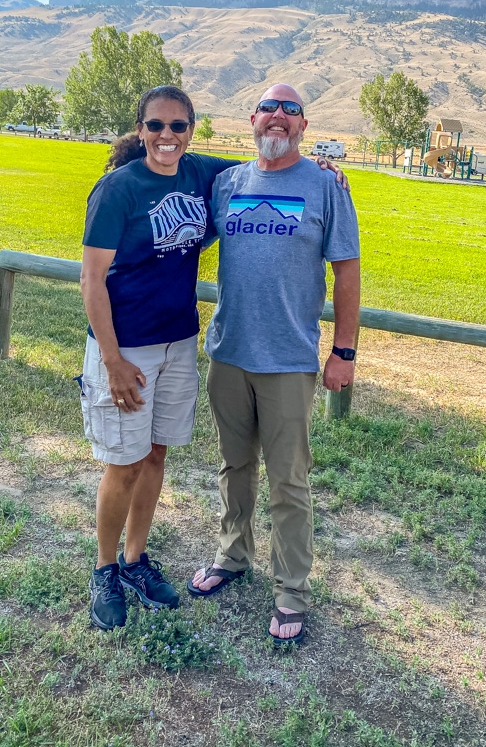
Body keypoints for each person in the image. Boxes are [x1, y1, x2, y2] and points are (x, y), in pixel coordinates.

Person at [79, 84, 344, 630]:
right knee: (134, 463)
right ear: (140, 130)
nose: (167, 136)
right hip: (146, 349)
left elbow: (273, 165)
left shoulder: (218, 175)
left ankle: (145, 562)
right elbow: (91, 278)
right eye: (155, 126)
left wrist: (322, 165)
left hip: (196, 345)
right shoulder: (132, 189)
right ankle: (112, 569)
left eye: (178, 127)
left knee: (165, 458)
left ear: (192, 131)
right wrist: (110, 358)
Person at [188, 83, 361, 646]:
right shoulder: (230, 183)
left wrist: (344, 351)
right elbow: (182, 176)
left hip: (288, 360)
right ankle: (232, 555)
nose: (278, 117)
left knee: (289, 480)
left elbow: (347, 274)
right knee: (234, 467)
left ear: (305, 125)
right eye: (269, 108)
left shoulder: (326, 187)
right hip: (229, 352)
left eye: (291, 110)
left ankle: (291, 589)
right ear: (253, 118)